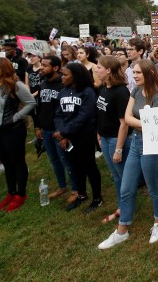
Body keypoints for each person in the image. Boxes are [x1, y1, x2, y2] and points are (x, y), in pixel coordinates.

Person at [98, 59, 158, 249]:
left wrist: (146, 122)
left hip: (153, 145)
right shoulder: (136, 90)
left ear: (150, 74)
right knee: (126, 187)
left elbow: (155, 125)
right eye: (134, 72)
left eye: (138, 73)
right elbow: (128, 118)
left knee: (155, 187)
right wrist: (147, 121)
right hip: (137, 143)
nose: (134, 75)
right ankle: (122, 230)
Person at [0, 57, 36, 212]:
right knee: (6, 162)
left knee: (17, 162)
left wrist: (15, 117)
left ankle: (21, 194)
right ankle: (11, 192)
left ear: (4, 69)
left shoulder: (15, 85)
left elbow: (31, 103)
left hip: (12, 130)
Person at [54, 63, 103, 214]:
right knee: (75, 166)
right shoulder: (63, 92)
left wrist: (64, 132)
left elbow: (85, 116)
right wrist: (62, 133)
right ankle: (81, 194)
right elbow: (58, 114)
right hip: (67, 137)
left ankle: (97, 198)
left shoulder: (88, 92)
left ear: (76, 76)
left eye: (65, 75)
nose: (62, 77)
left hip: (84, 136)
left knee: (89, 166)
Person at [33, 55, 76, 202]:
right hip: (46, 129)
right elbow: (39, 107)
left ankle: (75, 189)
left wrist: (64, 132)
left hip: (60, 130)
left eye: (45, 65)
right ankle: (62, 186)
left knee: (67, 160)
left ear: (55, 68)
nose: (41, 68)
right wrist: (37, 125)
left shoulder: (63, 85)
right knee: (54, 160)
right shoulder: (43, 84)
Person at [94, 55, 131, 224]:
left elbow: (124, 123)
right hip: (106, 139)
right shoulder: (104, 88)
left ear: (108, 70)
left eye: (99, 67)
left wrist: (118, 148)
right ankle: (122, 207)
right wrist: (99, 134)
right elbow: (101, 113)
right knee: (116, 176)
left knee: (124, 179)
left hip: (117, 140)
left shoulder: (121, 92)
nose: (96, 69)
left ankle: (126, 213)